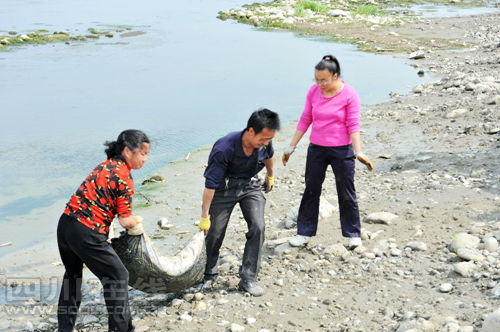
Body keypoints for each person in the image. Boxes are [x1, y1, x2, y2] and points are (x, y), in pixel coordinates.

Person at [57, 129, 150, 332]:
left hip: (65, 225)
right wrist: (137, 221)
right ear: (128, 151)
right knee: (118, 277)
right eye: (143, 153)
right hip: (86, 231)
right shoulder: (124, 177)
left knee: (72, 275)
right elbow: (125, 220)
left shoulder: (105, 166)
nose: (145, 159)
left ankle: (64, 329)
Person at [282, 55, 374, 249]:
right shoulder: (314, 91)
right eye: (316, 79)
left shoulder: (350, 94)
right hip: (317, 149)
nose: (320, 84)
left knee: (346, 191)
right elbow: (306, 118)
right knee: (311, 189)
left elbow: (353, 124)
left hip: (342, 149)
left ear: (335, 76)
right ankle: (304, 233)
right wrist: (291, 146)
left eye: (324, 80)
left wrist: (359, 152)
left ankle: (353, 234)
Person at [197, 108, 280, 296]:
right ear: (250, 131)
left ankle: (248, 278)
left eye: (269, 139)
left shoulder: (265, 142)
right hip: (224, 188)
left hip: (250, 186)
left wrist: (270, 176)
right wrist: (204, 216)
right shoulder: (224, 148)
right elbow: (210, 185)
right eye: (263, 139)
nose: (266, 143)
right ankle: (208, 273)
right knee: (215, 231)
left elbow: (269, 157)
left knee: (258, 226)